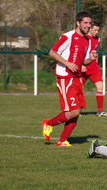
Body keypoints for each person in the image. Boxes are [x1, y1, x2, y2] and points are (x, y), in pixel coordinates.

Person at [41, 12, 97, 147]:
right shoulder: (68, 36)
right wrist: (68, 64)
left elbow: (83, 61)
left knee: (76, 112)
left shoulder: (87, 40)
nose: (88, 26)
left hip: (76, 78)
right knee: (74, 111)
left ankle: (62, 141)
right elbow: (52, 52)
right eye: (85, 23)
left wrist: (91, 59)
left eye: (90, 23)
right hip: (65, 77)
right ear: (78, 23)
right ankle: (48, 123)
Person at [82, 21, 107, 117]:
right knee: (79, 88)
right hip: (83, 67)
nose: (97, 32)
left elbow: (96, 52)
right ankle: (77, 110)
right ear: (89, 29)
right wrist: (81, 65)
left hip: (93, 67)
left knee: (100, 86)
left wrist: (97, 63)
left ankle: (100, 111)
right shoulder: (84, 39)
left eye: (98, 30)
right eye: (95, 30)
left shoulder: (97, 39)